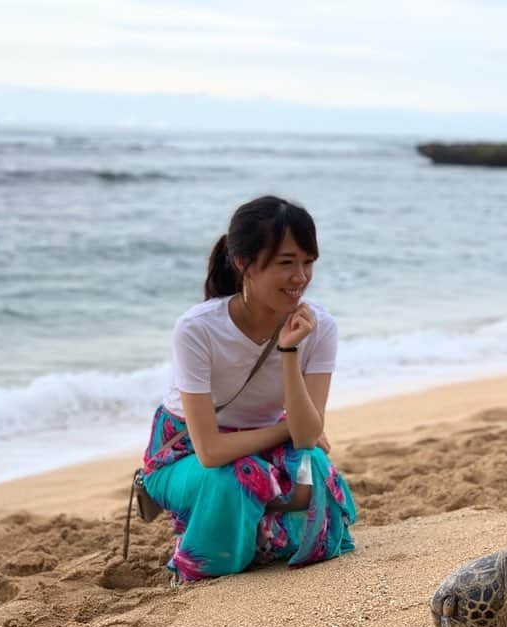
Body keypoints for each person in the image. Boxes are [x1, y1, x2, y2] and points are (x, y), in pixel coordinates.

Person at [142, 195, 356, 583]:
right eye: (286, 263)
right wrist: (286, 430)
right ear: (244, 264)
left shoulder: (319, 327)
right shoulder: (198, 329)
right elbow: (210, 452)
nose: (301, 277)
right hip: (185, 453)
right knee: (233, 478)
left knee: (316, 470)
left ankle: (258, 537)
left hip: (268, 449)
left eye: (308, 262)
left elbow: (308, 438)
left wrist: (288, 351)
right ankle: (204, 565)